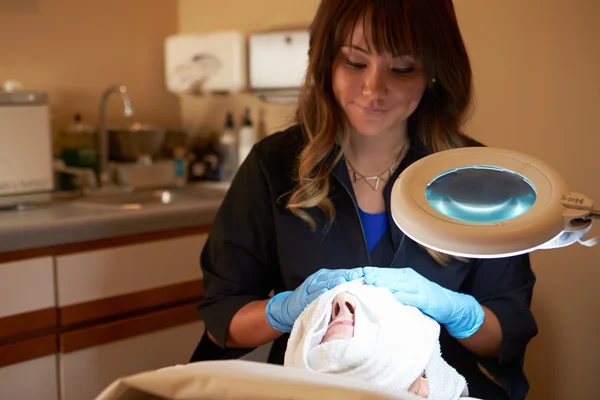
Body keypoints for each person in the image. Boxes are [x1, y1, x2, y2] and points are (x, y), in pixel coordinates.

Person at [194, 1, 538, 399]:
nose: (374, 89)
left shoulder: (480, 180)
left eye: (402, 68)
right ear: (326, 61)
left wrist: (457, 311)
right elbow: (223, 317)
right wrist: (284, 310)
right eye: (356, 63)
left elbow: (508, 331)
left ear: (434, 72)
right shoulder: (273, 166)